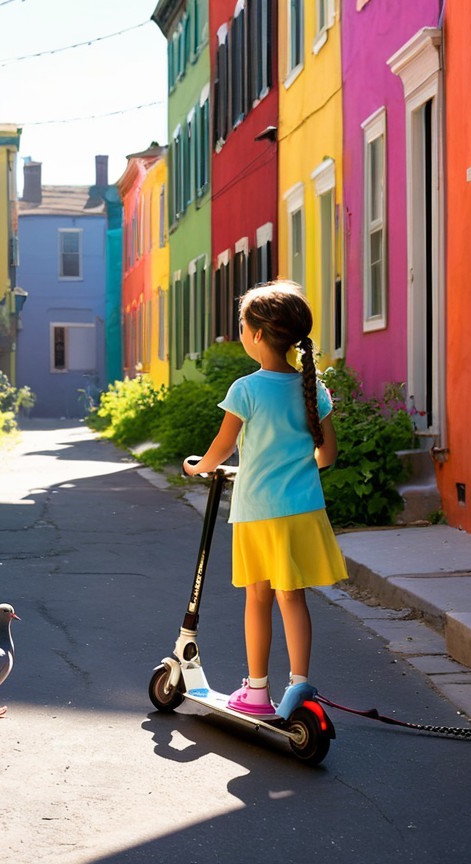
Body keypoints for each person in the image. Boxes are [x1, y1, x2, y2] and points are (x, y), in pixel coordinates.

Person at [183, 280, 348, 716]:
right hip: (303, 511)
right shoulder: (315, 390)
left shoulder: (246, 389)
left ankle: (257, 691)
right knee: (293, 597)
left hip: (258, 511)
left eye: (242, 326)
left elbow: (221, 449)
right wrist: (294, 462)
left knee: (258, 597)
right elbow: (327, 455)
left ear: (257, 335)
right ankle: (299, 687)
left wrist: (196, 466)